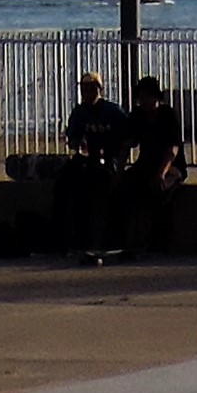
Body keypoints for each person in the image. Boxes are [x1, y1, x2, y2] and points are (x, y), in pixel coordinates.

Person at [54, 71, 127, 260]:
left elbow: (126, 141)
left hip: (109, 162)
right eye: (84, 88)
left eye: (92, 88)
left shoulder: (113, 112)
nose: (87, 92)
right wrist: (79, 145)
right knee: (67, 183)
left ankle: (112, 240)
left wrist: (117, 165)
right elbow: (72, 138)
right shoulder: (80, 112)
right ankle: (68, 240)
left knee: (109, 192)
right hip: (87, 161)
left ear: (100, 89)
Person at [118, 73, 189, 252]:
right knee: (124, 188)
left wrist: (161, 173)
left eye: (147, 97)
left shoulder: (167, 115)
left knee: (159, 191)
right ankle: (120, 240)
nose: (143, 101)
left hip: (171, 168)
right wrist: (118, 172)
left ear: (156, 97)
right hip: (145, 165)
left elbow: (173, 149)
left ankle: (159, 242)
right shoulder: (137, 115)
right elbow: (128, 144)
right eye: (141, 97)